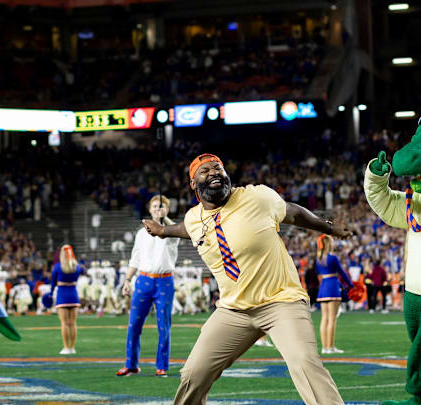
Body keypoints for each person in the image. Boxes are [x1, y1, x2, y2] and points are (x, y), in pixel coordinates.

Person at [142, 153, 352, 405]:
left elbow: (292, 212)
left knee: (304, 363)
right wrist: (163, 231)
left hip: (281, 301)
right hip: (233, 311)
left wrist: (327, 227)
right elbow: (185, 230)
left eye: (218, 168)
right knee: (193, 375)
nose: (213, 173)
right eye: (205, 171)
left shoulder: (257, 197)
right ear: (193, 184)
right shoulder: (193, 218)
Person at [116, 195, 180, 378]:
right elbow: (135, 259)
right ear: (149, 209)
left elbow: (173, 229)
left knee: (163, 326)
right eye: (154, 206)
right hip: (143, 280)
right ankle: (131, 364)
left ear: (166, 210)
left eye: (161, 206)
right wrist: (127, 280)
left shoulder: (172, 230)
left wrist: (164, 220)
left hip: (164, 281)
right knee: (134, 324)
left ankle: (162, 366)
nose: (157, 208)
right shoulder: (141, 233)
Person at [315, 234, 353, 354]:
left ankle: (324, 347)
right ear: (329, 244)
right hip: (332, 287)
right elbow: (342, 273)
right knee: (332, 319)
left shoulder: (318, 258)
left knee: (324, 319)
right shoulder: (333, 258)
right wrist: (351, 285)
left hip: (323, 288)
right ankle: (330, 347)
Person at [50, 245, 85, 354]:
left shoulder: (57, 267)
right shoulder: (77, 267)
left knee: (64, 323)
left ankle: (66, 347)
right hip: (73, 295)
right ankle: (72, 347)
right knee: (73, 322)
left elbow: (53, 282)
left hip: (62, 295)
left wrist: (50, 293)